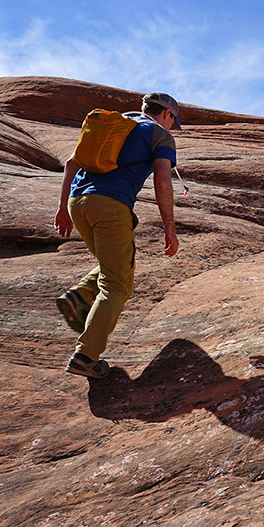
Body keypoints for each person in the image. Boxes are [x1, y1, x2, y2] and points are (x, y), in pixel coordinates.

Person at [54, 92, 182, 378]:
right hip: (110, 206)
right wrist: (169, 229)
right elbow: (162, 179)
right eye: (173, 121)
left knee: (115, 264)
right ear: (168, 115)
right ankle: (85, 357)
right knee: (118, 286)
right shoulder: (160, 135)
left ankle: (79, 297)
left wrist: (63, 209)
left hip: (79, 204)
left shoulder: (116, 124)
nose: (172, 126)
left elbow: (71, 164)